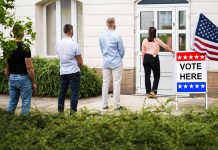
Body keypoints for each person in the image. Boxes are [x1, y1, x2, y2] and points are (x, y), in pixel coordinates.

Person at [6, 23, 37, 115]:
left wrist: (9, 77)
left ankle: (8, 123)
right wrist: (33, 82)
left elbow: (7, 66)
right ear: (22, 33)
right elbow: (29, 67)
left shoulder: (8, 47)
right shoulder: (25, 47)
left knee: (12, 102)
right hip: (23, 79)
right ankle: (24, 124)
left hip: (12, 78)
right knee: (26, 104)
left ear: (13, 33)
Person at [99, 17, 125, 110]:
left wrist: (106, 56)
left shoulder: (101, 36)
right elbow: (122, 51)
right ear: (113, 23)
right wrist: (119, 59)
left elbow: (102, 49)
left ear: (107, 24)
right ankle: (116, 105)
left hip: (106, 62)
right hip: (116, 62)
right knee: (116, 83)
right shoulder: (117, 36)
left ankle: (104, 105)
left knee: (105, 83)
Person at [56, 24, 83, 113]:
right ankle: (73, 113)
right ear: (71, 31)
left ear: (64, 31)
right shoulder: (74, 44)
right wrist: (77, 62)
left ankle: (60, 112)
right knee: (74, 93)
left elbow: (60, 57)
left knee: (62, 93)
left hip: (63, 71)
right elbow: (80, 61)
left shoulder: (58, 44)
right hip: (74, 71)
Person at [141, 27, 174, 98]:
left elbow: (143, 53)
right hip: (154, 58)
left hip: (146, 58)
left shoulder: (144, 40)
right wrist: (171, 51)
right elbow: (165, 46)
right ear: (155, 33)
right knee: (156, 76)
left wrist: (143, 61)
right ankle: (153, 92)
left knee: (147, 76)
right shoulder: (157, 40)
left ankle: (148, 92)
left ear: (149, 32)